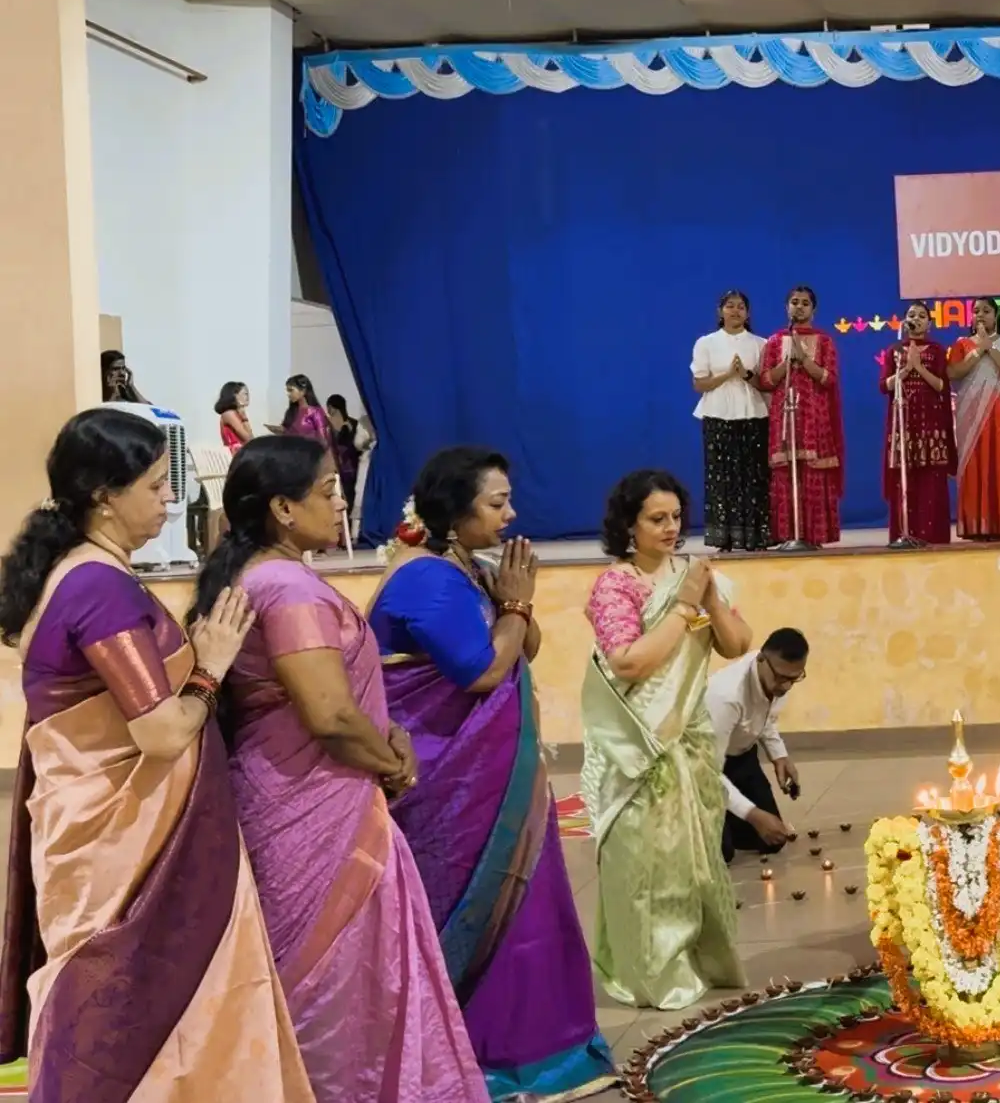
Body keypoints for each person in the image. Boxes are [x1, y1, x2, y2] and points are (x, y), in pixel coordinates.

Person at [0, 409, 313, 1099]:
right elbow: (162, 733)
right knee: (129, 1004)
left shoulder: (78, 572)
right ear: (104, 495)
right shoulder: (97, 588)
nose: (169, 498)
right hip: (125, 848)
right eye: (153, 486)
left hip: (110, 832)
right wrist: (211, 668)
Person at [194, 436, 485, 1099]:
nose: (339, 502)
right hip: (311, 810)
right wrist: (390, 762)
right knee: (333, 984)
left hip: (308, 795)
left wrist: (391, 736)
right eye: (326, 490)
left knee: (343, 974)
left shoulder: (269, 576)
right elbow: (326, 713)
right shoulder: (283, 585)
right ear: (283, 509)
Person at [367, 447, 614, 1101]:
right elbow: (480, 671)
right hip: (453, 792)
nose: (513, 513)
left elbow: (524, 645)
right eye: (497, 503)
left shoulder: (467, 568)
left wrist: (517, 603)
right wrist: (516, 609)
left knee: (530, 912)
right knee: (485, 915)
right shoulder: (425, 580)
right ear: (454, 511)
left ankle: (544, 1045)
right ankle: (482, 1056)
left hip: (498, 784)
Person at [580, 469, 757, 1010]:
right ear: (628, 525)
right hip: (638, 745)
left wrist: (708, 597)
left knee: (694, 861)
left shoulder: (694, 575)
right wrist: (683, 605)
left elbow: (737, 644)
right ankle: (650, 974)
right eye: (657, 519)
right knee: (641, 866)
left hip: (691, 743)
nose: (671, 528)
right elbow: (629, 662)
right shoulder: (616, 585)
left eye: (676, 517)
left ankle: (699, 963)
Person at [706, 627, 810, 865]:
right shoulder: (726, 696)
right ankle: (699, 818)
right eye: (782, 678)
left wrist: (779, 756)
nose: (785, 687)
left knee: (772, 840)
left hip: (742, 757)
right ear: (761, 659)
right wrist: (751, 814)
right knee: (721, 853)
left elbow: (766, 718)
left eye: (794, 679)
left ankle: (727, 816)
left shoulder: (779, 676)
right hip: (703, 770)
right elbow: (708, 771)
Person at [755, 285, 843, 547]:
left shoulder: (825, 340)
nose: (799, 307)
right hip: (784, 416)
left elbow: (829, 378)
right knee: (785, 474)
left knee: (813, 473)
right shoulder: (773, 341)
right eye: (794, 302)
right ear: (787, 307)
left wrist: (804, 360)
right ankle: (787, 536)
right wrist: (786, 362)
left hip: (816, 417)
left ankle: (814, 537)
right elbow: (766, 380)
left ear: (813, 309)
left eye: (805, 303)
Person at [690, 289, 771, 551]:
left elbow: (766, 384)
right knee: (721, 477)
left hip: (753, 413)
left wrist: (745, 374)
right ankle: (723, 538)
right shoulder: (707, 342)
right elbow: (699, 383)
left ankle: (755, 536)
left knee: (753, 475)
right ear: (720, 311)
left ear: (748, 313)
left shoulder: (761, 344)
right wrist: (727, 374)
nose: (735, 311)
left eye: (741, 307)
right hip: (718, 413)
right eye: (730, 306)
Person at [948, 296, 1000, 541]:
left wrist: (991, 348)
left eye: (986, 311)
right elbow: (954, 372)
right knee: (976, 466)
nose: (981, 315)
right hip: (971, 419)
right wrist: (978, 351)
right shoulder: (962, 344)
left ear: (996, 316)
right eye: (976, 311)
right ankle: (977, 526)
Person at [879, 302, 954, 544]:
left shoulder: (937, 350)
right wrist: (904, 370)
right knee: (904, 480)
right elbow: (884, 386)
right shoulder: (894, 350)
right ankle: (904, 534)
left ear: (929, 324)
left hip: (930, 425)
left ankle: (932, 536)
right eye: (912, 315)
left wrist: (918, 368)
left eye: (922, 316)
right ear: (904, 320)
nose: (917, 319)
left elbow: (942, 386)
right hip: (903, 423)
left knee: (931, 482)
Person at [324, 395, 368, 511]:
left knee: (351, 498)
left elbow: (357, 445)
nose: (327, 410)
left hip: (350, 467)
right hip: (337, 467)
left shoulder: (352, 423)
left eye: (329, 406)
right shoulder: (327, 425)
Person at [274, 376, 331, 449]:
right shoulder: (291, 411)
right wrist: (281, 431)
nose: (288, 394)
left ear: (303, 391)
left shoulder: (315, 412)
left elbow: (323, 440)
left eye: (291, 390)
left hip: (308, 454)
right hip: (291, 452)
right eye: (287, 391)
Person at [216, 382, 256, 450]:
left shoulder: (237, 414)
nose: (248, 397)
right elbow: (248, 440)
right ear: (235, 395)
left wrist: (243, 416)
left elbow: (251, 439)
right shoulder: (229, 414)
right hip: (235, 455)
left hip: (241, 453)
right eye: (245, 394)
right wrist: (244, 417)